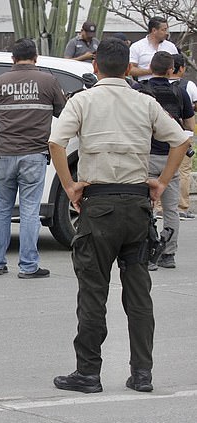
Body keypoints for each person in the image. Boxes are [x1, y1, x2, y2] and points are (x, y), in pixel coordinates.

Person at [49, 38, 190, 394]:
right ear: (129, 68)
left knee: (93, 292)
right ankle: (142, 373)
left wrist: (70, 186)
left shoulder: (82, 100)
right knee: (139, 294)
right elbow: (181, 140)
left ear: (95, 67)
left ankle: (88, 373)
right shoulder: (145, 102)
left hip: (98, 207)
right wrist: (160, 182)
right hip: (137, 207)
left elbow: (56, 142)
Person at [0, 38, 66, 278]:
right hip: (34, 154)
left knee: (1, 209)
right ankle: (28, 266)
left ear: (12, 58)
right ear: (36, 57)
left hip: (5, 154)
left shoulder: (0, 82)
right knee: (30, 210)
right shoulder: (48, 81)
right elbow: (62, 110)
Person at [134, 51, 195, 270]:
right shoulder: (180, 93)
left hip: (145, 156)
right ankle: (167, 254)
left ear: (150, 66)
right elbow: (189, 125)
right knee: (170, 209)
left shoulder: (139, 91)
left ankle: (147, 253)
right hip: (171, 158)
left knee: (145, 208)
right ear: (171, 70)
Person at [170, 53, 197, 220]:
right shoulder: (189, 86)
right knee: (183, 171)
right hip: (183, 135)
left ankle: (158, 207)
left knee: (158, 169)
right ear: (181, 68)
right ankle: (181, 207)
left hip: (159, 136)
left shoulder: (153, 85)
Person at [129, 16, 178, 82]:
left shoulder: (171, 46)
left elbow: (178, 67)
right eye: (163, 30)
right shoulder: (137, 47)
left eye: (167, 30)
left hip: (169, 87)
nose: (166, 33)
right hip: (145, 87)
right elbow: (130, 69)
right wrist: (150, 71)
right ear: (154, 30)